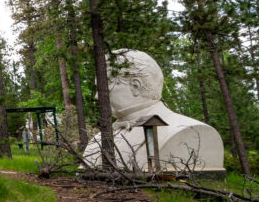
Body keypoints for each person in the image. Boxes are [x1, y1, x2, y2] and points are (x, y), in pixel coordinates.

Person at [82, 49, 224, 174]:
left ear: (136, 86)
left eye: (105, 87)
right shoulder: (98, 139)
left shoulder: (190, 131)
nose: (97, 97)